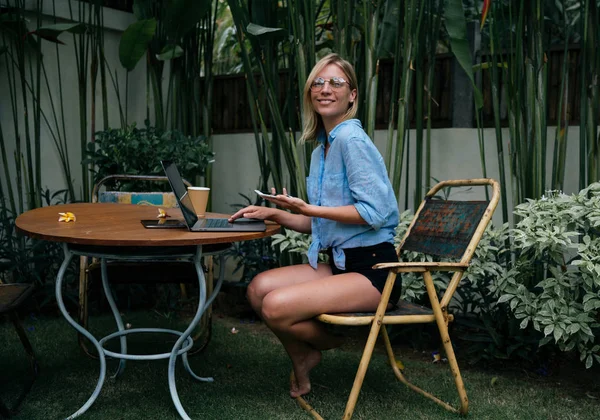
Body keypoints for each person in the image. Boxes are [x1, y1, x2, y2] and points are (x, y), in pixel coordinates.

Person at [228, 53, 400, 398]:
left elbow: (375, 212)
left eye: (336, 82)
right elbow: (317, 223)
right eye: (318, 83)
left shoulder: (351, 140)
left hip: (374, 271)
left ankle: (333, 341)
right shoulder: (322, 146)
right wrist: (276, 214)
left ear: (352, 94)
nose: (325, 89)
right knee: (258, 289)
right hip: (339, 265)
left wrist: (312, 208)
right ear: (309, 93)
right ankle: (305, 354)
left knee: (276, 306)